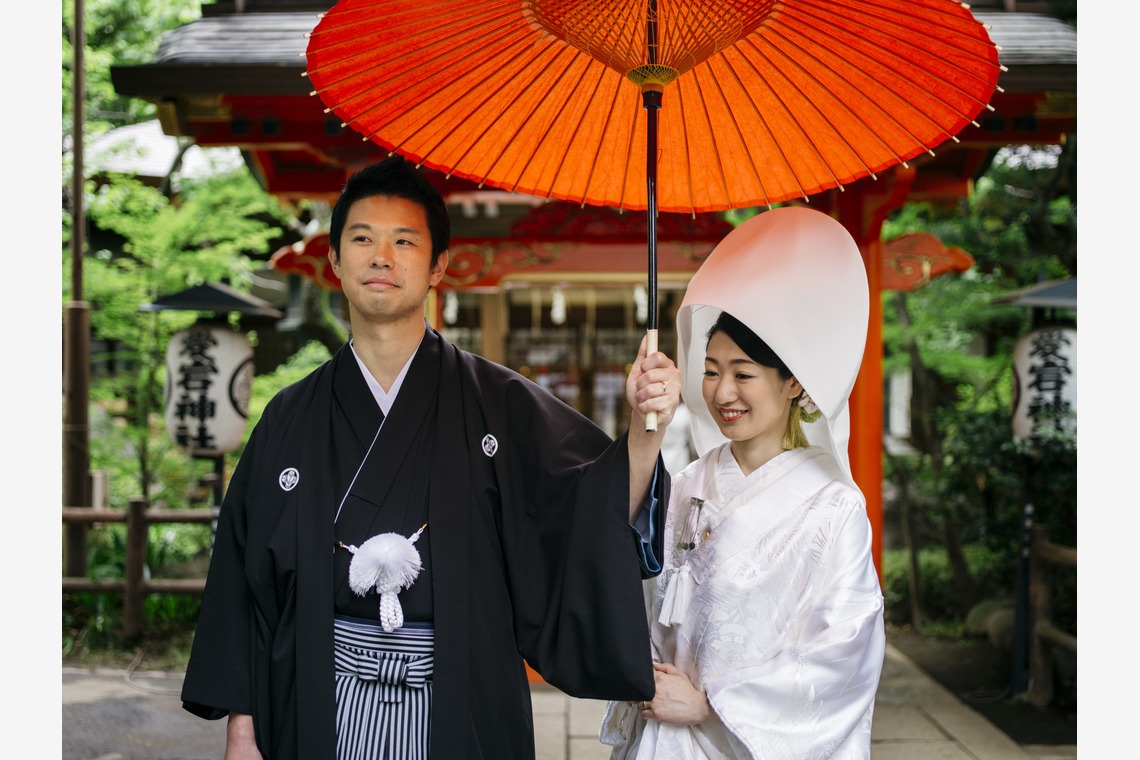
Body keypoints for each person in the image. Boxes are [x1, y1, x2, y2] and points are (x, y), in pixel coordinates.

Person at [180, 155, 683, 759]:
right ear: (335, 259)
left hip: (460, 705)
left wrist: (642, 430)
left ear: (438, 264)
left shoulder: (500, 404)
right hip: (316, 702)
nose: (381, 257)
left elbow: (591, 510)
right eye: (362, 238)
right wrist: (243, 727)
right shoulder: (290, 417)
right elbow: (246, 581)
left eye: (404, 241)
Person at [600, 206, 886, 759]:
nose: (722, 392)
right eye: (710, 370)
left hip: (740, 739)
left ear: (794, 385)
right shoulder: (686, 486)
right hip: (663, 735)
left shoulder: (831, 507)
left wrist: (712, 704)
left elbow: (845, 651)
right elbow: (619, 567)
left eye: (744, 373)